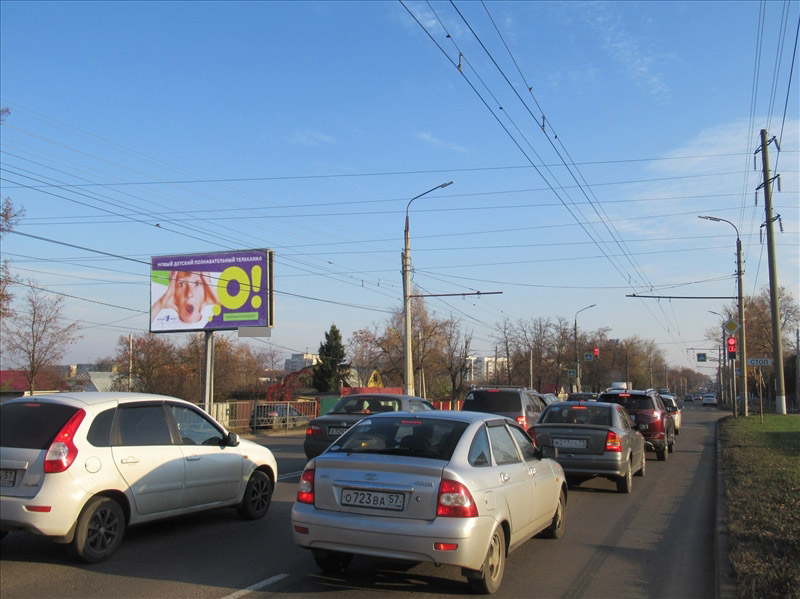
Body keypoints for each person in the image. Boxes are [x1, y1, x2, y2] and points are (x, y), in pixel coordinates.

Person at [151, 270, 219, 330]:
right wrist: (160, 303)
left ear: (206, 292)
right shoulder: (164, 325)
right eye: (181, 284)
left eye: (197, 283)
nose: (189, 293)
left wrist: (217, 300)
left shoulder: (212, 321)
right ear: (173, 293)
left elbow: (228, 310)